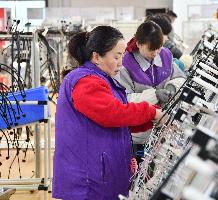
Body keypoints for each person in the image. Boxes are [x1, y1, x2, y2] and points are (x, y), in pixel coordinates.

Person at [52, 26, 163, 200]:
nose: (120, 63)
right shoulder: (85, 82)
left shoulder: (101, 79)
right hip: (88, 180)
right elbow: (112, 114)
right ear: (96, 56)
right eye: (116, 57)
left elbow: (116, 121)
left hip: (99, 173)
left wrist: (151, 121)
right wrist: (150, 112)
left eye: (122, 56)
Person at [117, 21, 186, 162]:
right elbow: (125, 99)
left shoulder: (166, 56)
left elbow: (180, 77)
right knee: (139, 168)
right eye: (151, 49)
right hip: (138, 135)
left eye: (159, 48)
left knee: (160, 167)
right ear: (139, 44)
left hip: (165, 128)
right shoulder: (125, 65)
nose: (155, 54)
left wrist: (172, 87)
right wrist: (155, 95)